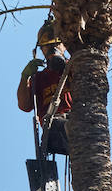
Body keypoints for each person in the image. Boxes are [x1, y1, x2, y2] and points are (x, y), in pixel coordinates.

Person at [18, 21, 72, 155]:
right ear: (41, 50)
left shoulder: (75, 67)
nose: (52, 50)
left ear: (64, 46)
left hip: (77, 120)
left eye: (56, 45)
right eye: (47, 47)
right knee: (58, 125)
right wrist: (25, 77)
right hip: (54, 127)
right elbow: (25, 106)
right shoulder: (39, 78)